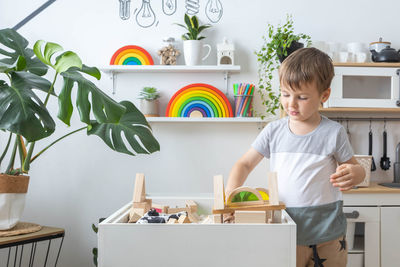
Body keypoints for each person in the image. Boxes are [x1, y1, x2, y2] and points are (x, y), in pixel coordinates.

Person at [225, 47, 365, 267]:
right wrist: (229, 200)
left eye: (301, 97)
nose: (291, 103)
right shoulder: (273, 131)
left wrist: (355, 174)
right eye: (285, 94)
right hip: (287, 230)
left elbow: (356, 169)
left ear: (324, 95)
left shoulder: (333, 132)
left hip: (328, 233)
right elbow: (244, 164)